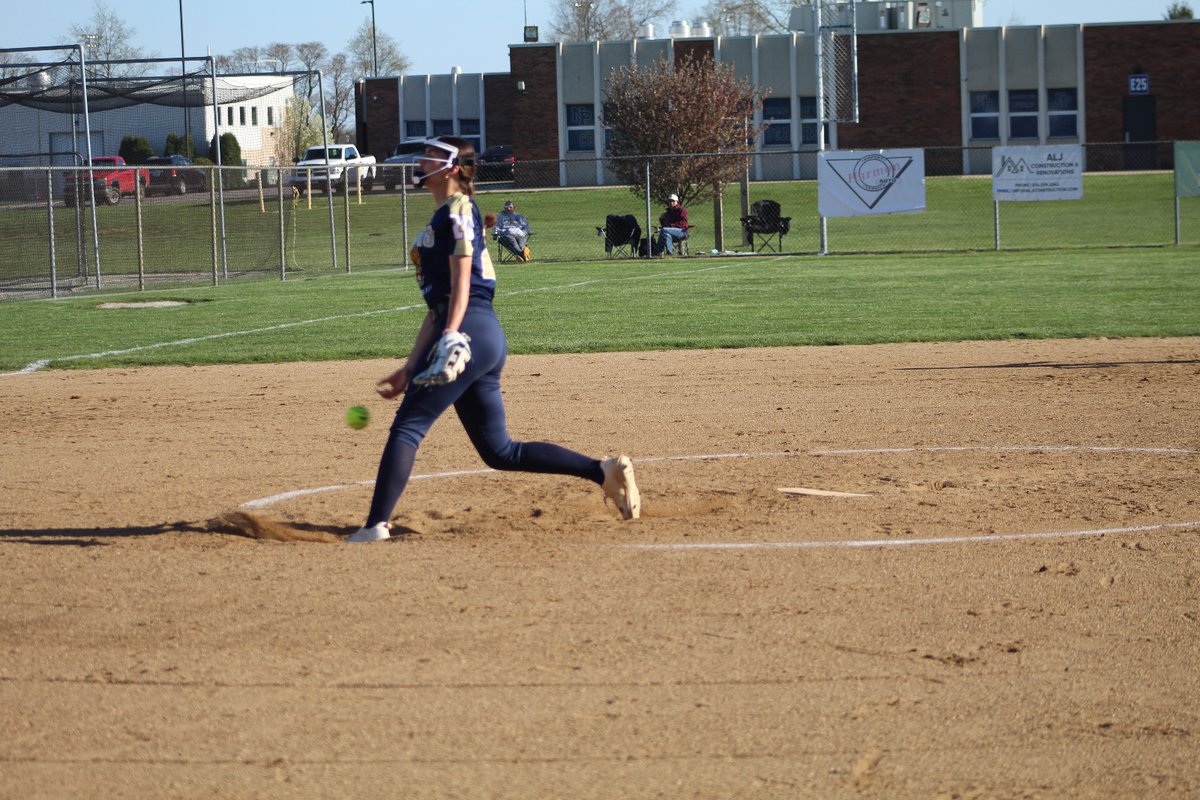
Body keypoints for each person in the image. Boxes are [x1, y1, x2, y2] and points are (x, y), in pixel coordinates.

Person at [347, 136, 640, 542]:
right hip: (480, 335)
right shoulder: (444, 216)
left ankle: (375, 525)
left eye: (432, 154)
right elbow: (438, 307)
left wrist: (452, 335)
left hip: (468, 331)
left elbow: (462, 279)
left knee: (408, 427)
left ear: (451, 168)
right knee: (499, 451)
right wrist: (410, 366)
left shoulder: (459, 209)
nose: (421, 159)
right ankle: (601, 470)